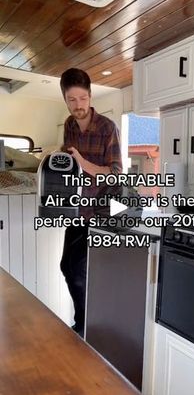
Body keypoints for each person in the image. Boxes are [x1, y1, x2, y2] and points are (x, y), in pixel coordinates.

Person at [59, 68, 122, 337]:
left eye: (82, 98)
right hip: (76, 208)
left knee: (78, 271)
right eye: (72, 100)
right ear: (65, 99)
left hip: (100, 212)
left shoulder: (108, 128)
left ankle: (84, 327)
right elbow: (68, 165)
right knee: (67, 266)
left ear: (90, 96)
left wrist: (85, 164)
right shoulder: (69, 126)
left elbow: (117, 173)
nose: (78, 106)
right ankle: (85, 323)